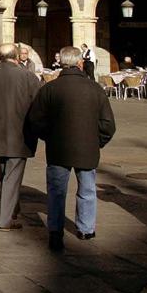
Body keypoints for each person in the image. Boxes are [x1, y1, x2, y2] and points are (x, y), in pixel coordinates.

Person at [26, 45, 117, 252]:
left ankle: (56, 233)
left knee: (56, 192)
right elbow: (108, 125)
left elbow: (35, 120)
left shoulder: (49, 88)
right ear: (79, 63)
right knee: (87, 190)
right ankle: (85, 229)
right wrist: (97, 141)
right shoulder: (95, 89)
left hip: (58, 149)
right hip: (87, 149)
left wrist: (49, 137)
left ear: (62, 63)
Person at [0, 43, 42, 231]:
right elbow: (39, 107)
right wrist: (37, 130)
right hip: (20, 134)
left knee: (6, 170)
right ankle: (5, 220)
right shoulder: (28, 77)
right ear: (17, 56)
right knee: (11, 175)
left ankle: (13, 208)